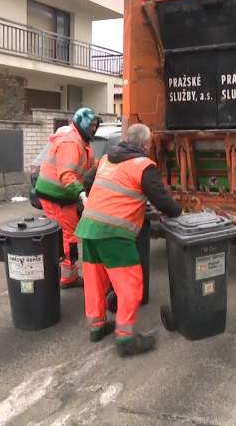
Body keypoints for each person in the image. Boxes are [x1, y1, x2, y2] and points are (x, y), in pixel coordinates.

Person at [76, 123, 182, 356]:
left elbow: (88, 180)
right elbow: (162, 200)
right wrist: (178, 212)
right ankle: (126, 339)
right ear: (145, 144)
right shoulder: (143, 165)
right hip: (114, 232)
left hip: (89, 226)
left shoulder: (106, 159)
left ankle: (97, 327)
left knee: (95, 281)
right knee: (131, 284)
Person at [34, 107, 100, 289]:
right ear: (83, 124)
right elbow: (66, 175)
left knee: (65, 234)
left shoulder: (79, 139)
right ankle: (68, 278)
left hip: (60, 194)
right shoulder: (71, 141)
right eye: (92, 125)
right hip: (56, 196)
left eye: (96, 125)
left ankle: (63, 272)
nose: (94, 128)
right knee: (68, 236)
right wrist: (82, 195)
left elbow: (93, 164)